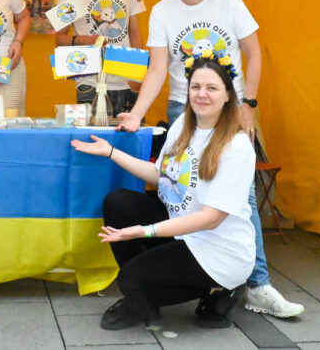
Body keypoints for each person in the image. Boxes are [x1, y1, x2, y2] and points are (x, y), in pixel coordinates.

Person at [115, 0, 304, 318]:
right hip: (182, 109)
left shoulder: (228, 1)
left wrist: (248, 104)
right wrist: (137, 113)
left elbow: (253, 54)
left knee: (241, 198)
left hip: (228, 108)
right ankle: (192, 266)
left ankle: (257, 285)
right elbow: (156, 69)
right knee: (180, 187)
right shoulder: (163, 11)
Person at [72, 56, 255, 330]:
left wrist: (145, 231)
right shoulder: (182, 124)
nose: (202, 94)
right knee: (119, 202)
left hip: (218, 249)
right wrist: (111, 152)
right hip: (182, 231)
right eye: (196, 86)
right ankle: (145, 293)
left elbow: (212, 218)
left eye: (212, 88)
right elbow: (162, 177)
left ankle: (223, 288)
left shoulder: (236, 146)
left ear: (228, 94)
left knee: (130, 279)